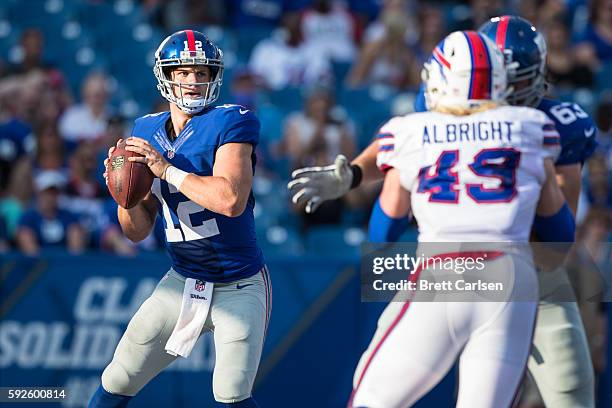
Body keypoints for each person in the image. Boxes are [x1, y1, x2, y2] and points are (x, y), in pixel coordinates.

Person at [289, 15, 598, 408]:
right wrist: (353, 174)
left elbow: (385, 217)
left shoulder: (440, 118)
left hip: (462, 269)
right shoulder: (538, 129)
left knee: (569, 388)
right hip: (513, 272)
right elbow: (559, 235)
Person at [349, 30, 572, 407]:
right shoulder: (530, 127)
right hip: (511, 276)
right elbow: (559, 233)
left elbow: (383, 231)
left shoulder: (410, 132)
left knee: (371, 400)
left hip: (442, 272)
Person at [89, 30, 271, 408]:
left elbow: (231, 200)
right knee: (118, 377)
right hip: (183, 281)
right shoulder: (145, 130)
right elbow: (137, 232)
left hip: (238, 283)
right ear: (166, 76)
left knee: (232, 393)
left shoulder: (232, 122)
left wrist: (166, 169)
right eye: (183, 72)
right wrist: (124, 194)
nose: (192, 81)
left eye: (202, 73)